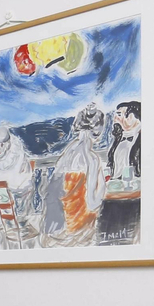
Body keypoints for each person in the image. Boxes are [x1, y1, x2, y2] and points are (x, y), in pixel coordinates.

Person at [42, 103, 108, 245]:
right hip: (77, 230)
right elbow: (92, 203)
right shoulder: (91, 159)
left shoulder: (67, 154)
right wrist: (103, 187)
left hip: (56, 228)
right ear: (98, 131)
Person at [107, 101, 142, 182]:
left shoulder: (146, 139)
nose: (116, 119)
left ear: (135, 116)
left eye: (120, 115)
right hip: (117, 185)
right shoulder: (118, 139)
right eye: (116, 115)